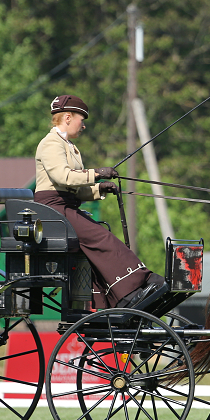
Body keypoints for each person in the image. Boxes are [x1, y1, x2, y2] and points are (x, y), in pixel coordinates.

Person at [33, 95, 164, 309]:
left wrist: (98, 188)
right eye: (80, 119)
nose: (83, 125)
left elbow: (72, 188)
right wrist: (96, 174)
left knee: (100, 234)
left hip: (65, 206)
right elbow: (63, 177)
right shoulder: (50, 144)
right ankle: (136, 286)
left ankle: (112, 298)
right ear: (67, 117)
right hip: (52, 210)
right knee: (102, 237)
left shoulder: (70, 147)